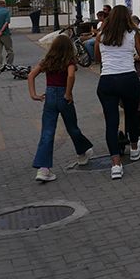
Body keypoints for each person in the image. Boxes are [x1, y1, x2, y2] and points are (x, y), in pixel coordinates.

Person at [27, 35, 94, 183]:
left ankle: (43, 169)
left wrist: (34, 95)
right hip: (64, 95)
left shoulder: (47, 61)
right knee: (72, 127)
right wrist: (68, 93)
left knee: (47, 132)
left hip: (50, 95)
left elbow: (31, 75)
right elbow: (70, 76)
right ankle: (82, 153)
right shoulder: (69, 61)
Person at [94, 5, 140, 180]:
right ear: (127, 18)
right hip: (128, 79)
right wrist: (139, 58)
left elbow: (97, 58)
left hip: (107, 81)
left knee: (111, 122)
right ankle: (133, 149)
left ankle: (116, 165)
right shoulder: (133, 35)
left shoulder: (101, 36)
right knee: (132, 114)